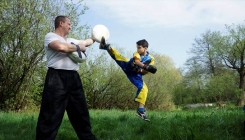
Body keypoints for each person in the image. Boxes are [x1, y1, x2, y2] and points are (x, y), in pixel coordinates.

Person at [36, 15, 97, 140]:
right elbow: (61, 47)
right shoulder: (50, 36)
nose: (71, 26)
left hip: (74, 78)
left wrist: (95, 37)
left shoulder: (71, 40)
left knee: (81, 113)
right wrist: (78, 47)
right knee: (51, 115)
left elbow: (86, 42)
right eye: (69, 23)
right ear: (61, 24)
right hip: (56, 79)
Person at [99, 37, 157, 121]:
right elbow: (137, 62)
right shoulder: (136, 54)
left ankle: (140, 111)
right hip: (128, 66)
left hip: (135, 75)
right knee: (118, 56)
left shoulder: (151, 59)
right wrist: (145, 66)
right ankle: (105, 46)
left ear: (145, 48)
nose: (137, 49)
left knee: (144, 89)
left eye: (139, 48)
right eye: (137, 47)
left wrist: (143, 70)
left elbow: (147, 71)